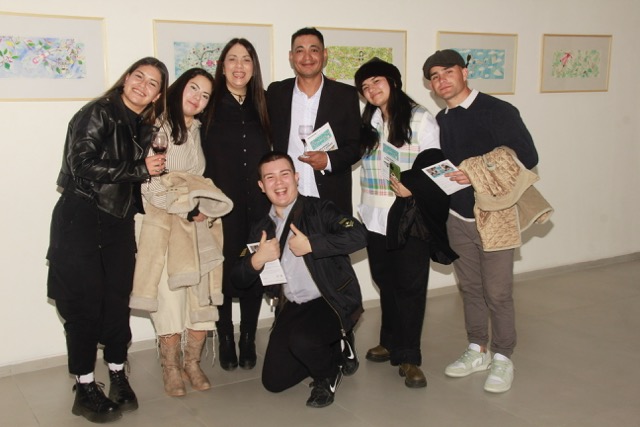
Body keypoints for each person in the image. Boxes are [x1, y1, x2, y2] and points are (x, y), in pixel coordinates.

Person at [46, 57, 169, 423]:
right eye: (138, 77)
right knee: (83, 305)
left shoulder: (143, 124)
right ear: (126, 78)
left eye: (152, 83)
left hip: (117, 221)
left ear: (157, 95)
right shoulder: (98, 112)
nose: (142, 85)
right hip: (82, 217)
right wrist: (139, 169)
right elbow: (81, 164)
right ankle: (84, 387)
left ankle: (117, 374)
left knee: (117, 301)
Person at [423, 49, 539, 393]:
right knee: (471, 289)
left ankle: (503, 356)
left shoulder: (497, 110)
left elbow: (527, 156)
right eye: (434, 77)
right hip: (456, 216)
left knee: (498, 293)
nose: (442, 80)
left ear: (464, 72)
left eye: (448, 72)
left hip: (496, 215)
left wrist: (473, 171)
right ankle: (478, 349)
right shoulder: (441, 120)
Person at [232, 151, 367, 408]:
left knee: (303, 341)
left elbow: (359, 235)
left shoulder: (319, 209)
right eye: (270, 178)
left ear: (296, 177)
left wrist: (313, 244)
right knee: (274, 381)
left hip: (330, 300)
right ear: (261, 186)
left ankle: (328, 374)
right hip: (292, 306)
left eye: (284, 174)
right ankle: (335, 346)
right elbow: (237, 278)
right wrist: (257, 260)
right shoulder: (261, 228)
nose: (278, 183)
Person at [129, 68, 233, 397]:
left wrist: (201, 205)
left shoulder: (198, 130)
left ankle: (192, 362)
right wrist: (183, 206)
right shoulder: (156, 127)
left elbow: (197, 179)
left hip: (192, 225)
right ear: (178, 88)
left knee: (199, 293)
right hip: (160, 223)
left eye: (205, 95)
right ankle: (171, 367)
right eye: (193, 88)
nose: (197, 98)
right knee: (169, 298)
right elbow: (147, 182)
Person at [354, 58, 456, 388]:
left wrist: (414, 186)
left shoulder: (420, 118)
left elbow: (438, 166)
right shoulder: (369, 120)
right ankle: (390, 341)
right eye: (365, 86)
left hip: (409, 216)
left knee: (410, 286)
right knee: (385, 281)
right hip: (373, 215)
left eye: (376, 81)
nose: (371, 90)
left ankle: (410, 356)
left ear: (393, 82)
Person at [201, 38, 272, 371]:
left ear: (254, 67)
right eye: (232, 59)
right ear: (222, 66)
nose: (239, 66)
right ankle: (226, 336)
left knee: (254, 267)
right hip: (220, 207)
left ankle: (247, 338)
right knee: (223, 272)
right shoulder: (208, 105)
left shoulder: (265, 104)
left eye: (246, 59)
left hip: (258, 205)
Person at [266, 27, 361, 216]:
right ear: (291, 56)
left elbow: (357, 146)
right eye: (300, 50)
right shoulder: (276, 93)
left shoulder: (345, 95)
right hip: (287, 201)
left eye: (314, 50)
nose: (307, 57)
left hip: (331, 202)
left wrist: (328, 160)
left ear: (324, 55)